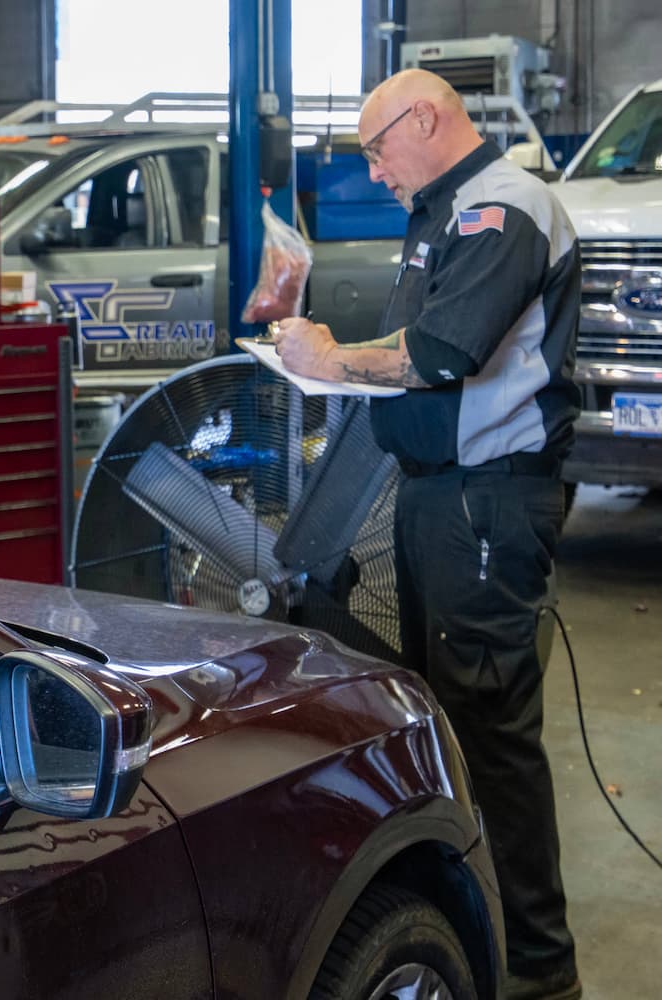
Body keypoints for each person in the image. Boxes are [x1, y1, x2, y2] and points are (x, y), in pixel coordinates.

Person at [271, 68, 581, 1000]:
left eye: (376, 149)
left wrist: (332, 358)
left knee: (489, 734)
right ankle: (485, 919)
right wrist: (333, 356)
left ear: (427, 117)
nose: (372, 172)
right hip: (436, 500)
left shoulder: (503, 206)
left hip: (484, 506)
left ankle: (537, 967)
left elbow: (445, 351)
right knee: (444, 712)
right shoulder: (442, 212)